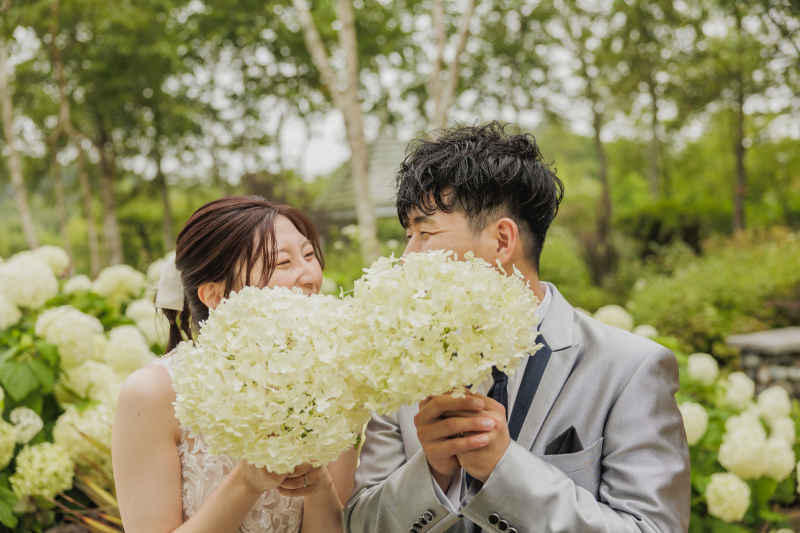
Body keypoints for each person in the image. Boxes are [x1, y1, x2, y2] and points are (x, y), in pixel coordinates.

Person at [343, 123, 691, 533]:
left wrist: (504, 471)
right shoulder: (402, 363)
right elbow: (362, 524)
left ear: (503, 240)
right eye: (407, 235)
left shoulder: (631, 367)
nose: (407, 257)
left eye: (425, 233)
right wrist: (432, 472)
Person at [112, 196, 357, 533]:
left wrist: (318, 485)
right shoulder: (152, 393)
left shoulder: (335, 378)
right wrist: (247, 483)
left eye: (310, 255)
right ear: (214, 296)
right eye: (283, 262)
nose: (310, 275)